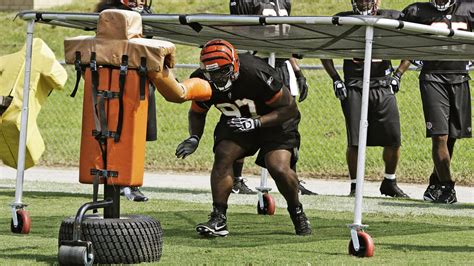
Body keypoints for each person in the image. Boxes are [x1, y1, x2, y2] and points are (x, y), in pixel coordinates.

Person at [175, 39, 311, 237]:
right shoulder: (202, 81)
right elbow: (197, 112)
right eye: (211, 73)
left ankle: (296, 211)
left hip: (275, 122)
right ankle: (218, 218)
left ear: (235, 65)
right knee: (223, 155)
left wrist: (257, 123)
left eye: (222, 71)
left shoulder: (255, 72)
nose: (217, 77)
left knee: (278, 167)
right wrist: (194, 137)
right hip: (238, 119)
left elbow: (289, 108)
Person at [321, 0, 411, 198]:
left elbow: (411, 43)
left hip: (383, 83)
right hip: (355, 84)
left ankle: (389, 181)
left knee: (394, 138)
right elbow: (323, 48)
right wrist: (335, 78)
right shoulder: (343, 18)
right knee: (355, 141)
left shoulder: (391, 16)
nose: (363, 3)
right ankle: (355, 186)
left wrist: (398, 74)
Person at [229, 0, 317, 196]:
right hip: (256, 65)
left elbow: (285, 39)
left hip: (282, 64)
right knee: (245, 117)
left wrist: (298, 71)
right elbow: (238, 33)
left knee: (288, 124)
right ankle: (236, 179)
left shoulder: (284, 1)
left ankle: (291, 176)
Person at [400, 0, 473, 204]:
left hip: (460, 77)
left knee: (451, 137)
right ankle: (448, 187)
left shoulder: (468, 9)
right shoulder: (418, 10)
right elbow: (396, 31)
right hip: (433, 77)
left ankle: (435, 183)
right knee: (439, 136)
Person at [96, 0, 152, 202]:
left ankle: (131, 182)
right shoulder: (109, 13)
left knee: (136, 136)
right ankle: (116, 181)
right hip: (115, 82)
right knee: (114, 133)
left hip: (140, 81)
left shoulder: (147, 13)